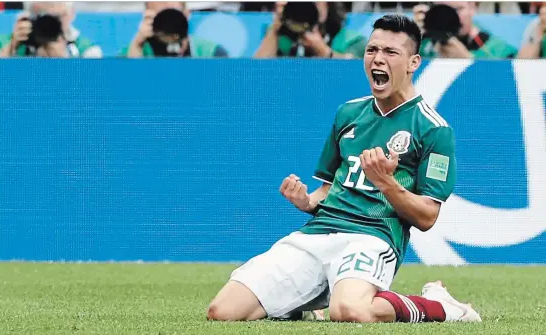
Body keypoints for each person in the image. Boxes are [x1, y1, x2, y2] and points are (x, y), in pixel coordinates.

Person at [207, 14, 483, 324]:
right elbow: (326, 190)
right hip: (319, 233)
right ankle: (306, 302)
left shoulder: (433, 129)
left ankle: (439, 305)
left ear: (413, 62)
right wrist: (306, 201)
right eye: (371, 50)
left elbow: (427, 217)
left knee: (349, 311)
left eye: (390, 52)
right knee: (223, 312)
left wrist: (386, 183)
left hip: (373, 236)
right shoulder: (349, 113)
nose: (377, 59)